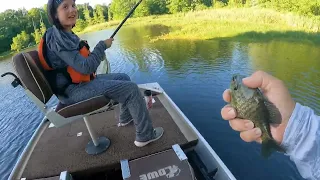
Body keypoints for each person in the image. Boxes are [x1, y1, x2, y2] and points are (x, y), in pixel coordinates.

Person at [43, 0, 164, 147]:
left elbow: (81, 65)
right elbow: (86, 67)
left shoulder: (64, 34)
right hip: (73, 92)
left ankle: (125, 118)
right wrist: (102, 46)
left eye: (73, 5)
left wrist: (97, 50)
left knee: (124, 78)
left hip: (79, 84)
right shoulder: (58, 39)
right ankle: (145, 135)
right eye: (65, 7)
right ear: (55, 14)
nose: (72, 10)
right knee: (131, 89)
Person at [221, 70, 319, 180]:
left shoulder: (241, 86)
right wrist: (293, 129)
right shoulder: (243, 86)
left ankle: (268, 140)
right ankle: (269, 141)